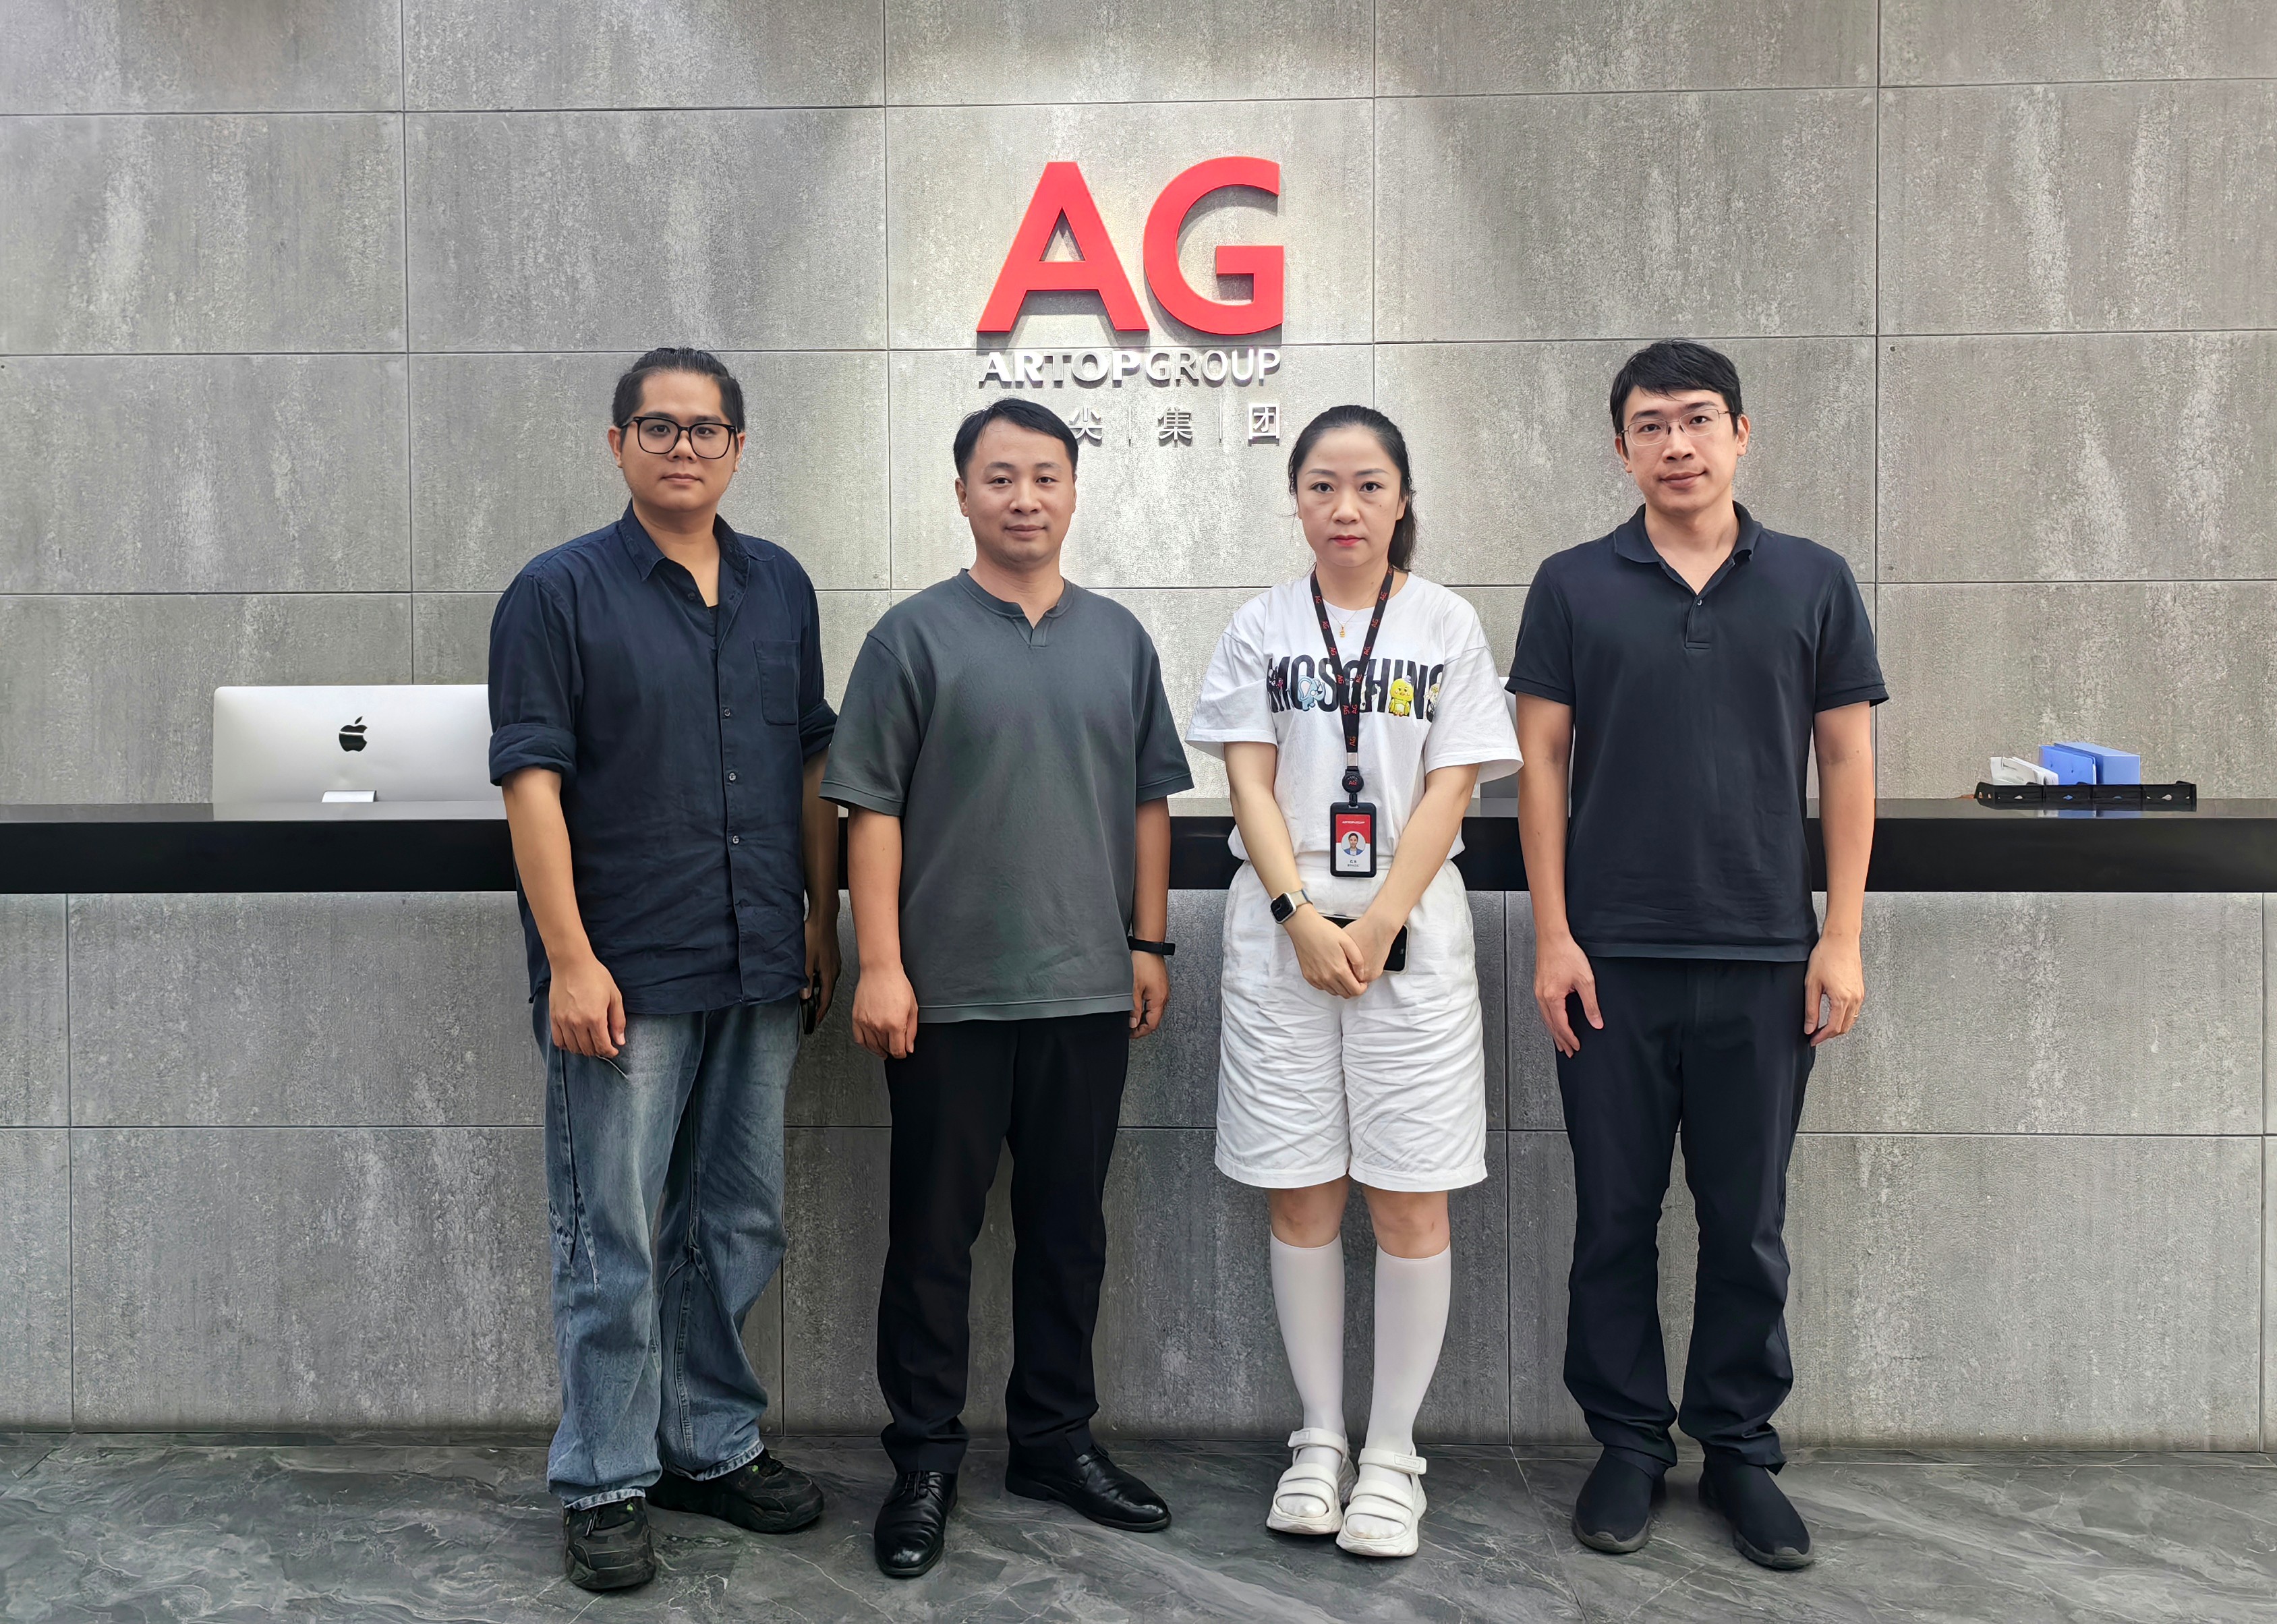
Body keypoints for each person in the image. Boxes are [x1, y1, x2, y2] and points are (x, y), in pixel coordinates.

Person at [1509, 341, 1883, 1571]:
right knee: (1614, 1218)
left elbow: (1847, 761)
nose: (1678, 444)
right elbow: (1543, 765)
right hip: (1607, 960)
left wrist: (1841, 935)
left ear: (1741, 433)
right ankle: (1627, 1444)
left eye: (1699, 419)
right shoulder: (1573, 584)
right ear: (1621, 448)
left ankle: (1737, 1452)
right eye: (1651, 425)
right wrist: (1554, 938)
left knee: (1747, 1222)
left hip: (1768, 955)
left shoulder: (1813, 580)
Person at [823, 396, 1194, 1580]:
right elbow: (869, 809)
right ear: (963, 494)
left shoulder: (1119, 640)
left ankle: (1052, 1440)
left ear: (1074, 492)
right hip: (946, 999)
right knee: (932, 1239)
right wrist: (882, 963)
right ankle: (925, 1460)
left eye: (1044, 477)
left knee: (1068, 1233)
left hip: (1087, 990)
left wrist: (1149, 943)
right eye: (1000, 478)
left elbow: (1149, 801)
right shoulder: (910, 638)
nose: (1024, 498)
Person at [488, 347, 840, 1592]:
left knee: (737, 1223)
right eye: (659, 426)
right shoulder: (556, 593)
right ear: (618, 443)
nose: (683, 447)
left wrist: (822, 917)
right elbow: (532, 783)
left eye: (705, 429)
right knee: (616, 1236)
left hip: (760, 956)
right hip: (625, 968)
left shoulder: (780, 586)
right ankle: (603, 1478)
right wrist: (570, 959)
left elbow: (811, 762)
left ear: (739, 447)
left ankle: (707, 1444)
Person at [1186, 405, 1520, 1559]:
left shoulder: (1445, 624)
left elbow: (1450, 787)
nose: (1346, 507)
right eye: (1323, 486)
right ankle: (1319, 1440)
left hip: (1407, 934)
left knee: (1411, 1194)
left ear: (1403, 500)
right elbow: (1250, 783)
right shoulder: (1261, 625)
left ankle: (1393, 1455)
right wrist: (1299, 917)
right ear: (1296, 500)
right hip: (1283, 937)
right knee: (1301, 1191)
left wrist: (1373, 924)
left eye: (1370, 486)